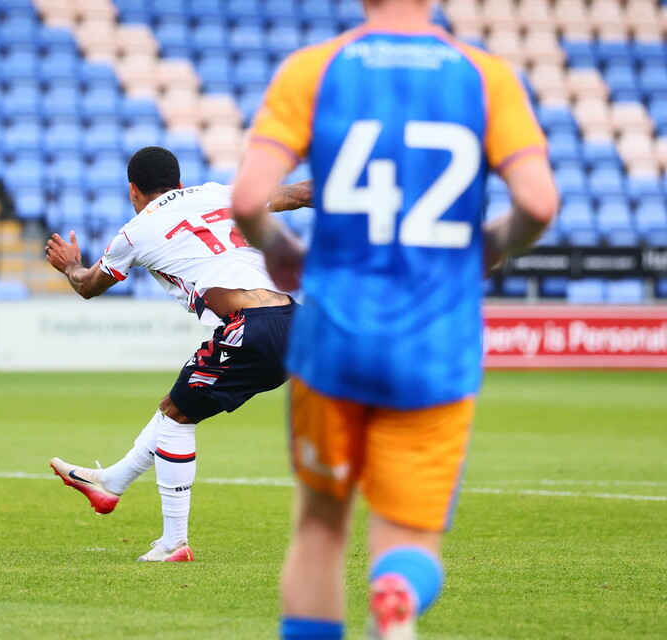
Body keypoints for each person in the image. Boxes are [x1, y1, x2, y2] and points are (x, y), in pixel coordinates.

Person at [230, 0, 558, 638]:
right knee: (408, 535)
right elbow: (539, 203)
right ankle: (398, 587)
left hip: (332, 340)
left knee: (321, 527)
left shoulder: (314, 69)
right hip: (435, 344)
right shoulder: (485, 75)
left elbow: (247, 198)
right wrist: (488, 246)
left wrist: (280, 250)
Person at [45, 146, 312, 562]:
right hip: (293, 322)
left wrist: (69, 265)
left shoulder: (134, 232)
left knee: (175, 419)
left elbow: (88, 285)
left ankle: (174, 543)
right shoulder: (220, 194)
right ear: (181, 182)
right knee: (177, 405)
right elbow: (298, 193)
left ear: (133, 190)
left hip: (249, 326)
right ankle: (111, 482)